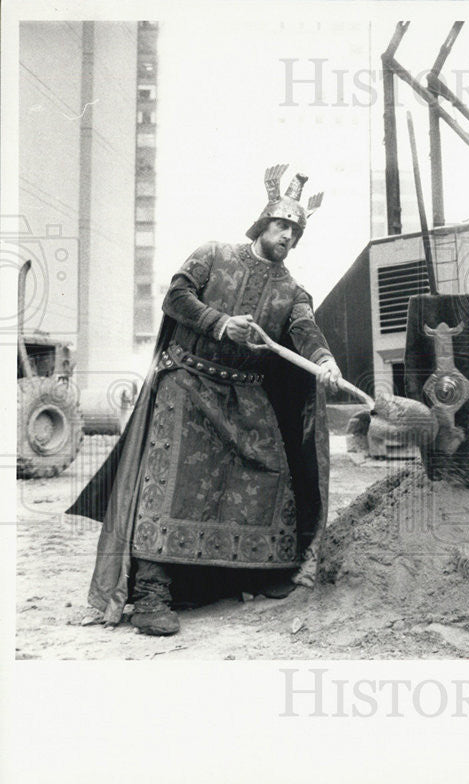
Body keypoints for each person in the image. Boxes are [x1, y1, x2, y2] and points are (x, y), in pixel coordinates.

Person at [68, 165, 341, 636]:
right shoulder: (212, 254)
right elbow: (176, 298)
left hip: (246, 393)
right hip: (186, 386)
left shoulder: (293, 290)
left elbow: (304, 330)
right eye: (282, 226)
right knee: (177, 485)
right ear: (262, 224)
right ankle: (152, 592)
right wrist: (219, 323)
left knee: (271, 472)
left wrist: (327, 362)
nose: (288, 237)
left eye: (295, 232)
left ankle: (258, 572)